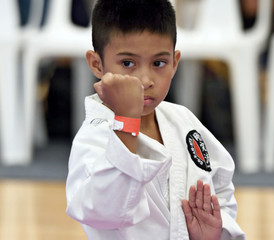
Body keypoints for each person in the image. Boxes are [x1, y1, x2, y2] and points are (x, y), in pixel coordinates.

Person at [65, 0, 246, 239]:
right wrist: (126, 122)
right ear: (97, 64)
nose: (145, 79)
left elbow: (220, 186)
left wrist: (215, 232)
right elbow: (101, 211)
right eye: (128, 63)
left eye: (159, 63)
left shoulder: (183, 121)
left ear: (174, 62)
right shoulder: (95, 134)